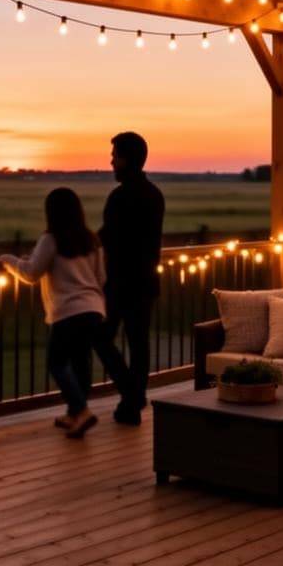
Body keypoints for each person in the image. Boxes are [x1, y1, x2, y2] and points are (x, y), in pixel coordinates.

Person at [0, 187, 128, 439]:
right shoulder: (91, 240)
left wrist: (9, 261)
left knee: (56, 363)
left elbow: (31, 273)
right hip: (93, 309)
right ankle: (75, 415)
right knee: (81, 362)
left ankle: (81, 410)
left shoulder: (51, 239)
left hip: (68, 310)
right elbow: (101, 277)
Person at [98, 131, 165, 425]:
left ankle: (132, 395)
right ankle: (131, 402)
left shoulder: (121, 196)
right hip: (146, 282)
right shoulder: (154, 194)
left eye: (114, 156)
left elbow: (108, 238)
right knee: (139, 345)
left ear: (125, 159)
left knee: (100, 338)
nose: (111, 161)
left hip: (118, 283)